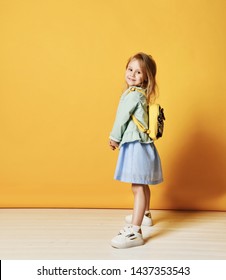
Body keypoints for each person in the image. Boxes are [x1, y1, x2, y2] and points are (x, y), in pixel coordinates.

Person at [109, 52, 163, 249]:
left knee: (137, 187)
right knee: (142, 185)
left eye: (138, 72)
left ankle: (135, 231)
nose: (132, 74)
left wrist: (114, 137)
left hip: (136, 147)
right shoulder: (139, 94)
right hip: (143, 146)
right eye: (130, 69)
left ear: (146, 77)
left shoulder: (132, 96)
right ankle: (145, 215)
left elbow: (122, 118)